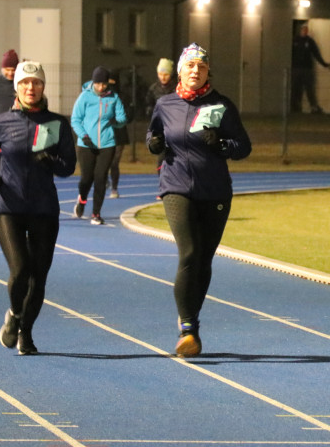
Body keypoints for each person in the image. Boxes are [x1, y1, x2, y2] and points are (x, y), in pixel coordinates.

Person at [146, 43, 252, 357]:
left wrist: (222, 145)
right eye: (190, 66)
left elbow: (243, 146)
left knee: (203, 260)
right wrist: (153, 144)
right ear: (180, 70)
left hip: (215, 190)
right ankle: (188, 327)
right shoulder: (166, 103)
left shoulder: (222, 105)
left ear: (207, 72)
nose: (195, 71)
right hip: (176, 185)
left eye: (201, 67)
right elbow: (153, 135)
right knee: (189, 252)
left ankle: (192, 321)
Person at [0, 60, 76, 356]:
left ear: (43, 87)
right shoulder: (0, 122)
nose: (30, 88)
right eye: (24, 83)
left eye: (36, 83)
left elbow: (68, 167)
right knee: (20, 270)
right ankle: (15, 314)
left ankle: (26, 333)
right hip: (9, 206)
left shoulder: (58, 123)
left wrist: (51, 161)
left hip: (44, 209)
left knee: (39, 276)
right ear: (17, 88)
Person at [71, 65, 128, 225]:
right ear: (93, 82)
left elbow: (122, 119)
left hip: (107, 144)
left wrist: (115, 122)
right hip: (86, 145)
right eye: (98, 84)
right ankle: (82, 199)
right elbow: (75, 119)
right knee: (86, 179)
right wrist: (84, 136)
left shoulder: (113, 98)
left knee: (100, 178)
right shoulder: (84, 97)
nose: (101, 87)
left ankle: (96, 213)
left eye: (104, 84)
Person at [145, 58, 177, 175]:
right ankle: (163, 183)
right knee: (162, 158)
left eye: (166, 74)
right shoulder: (153, 89)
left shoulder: (178, 88)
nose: (163, 77)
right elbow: (149, 104)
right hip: (161, 128)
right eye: (160, 74)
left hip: (176, 127)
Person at [290, 22, 330, 114]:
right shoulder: (295, 40)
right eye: (303, 29)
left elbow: (316, 54)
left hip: (307, 69)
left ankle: (313, 107)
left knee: (309, 88)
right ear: (300, 30)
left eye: (306, 29)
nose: (305, 31)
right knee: (296, 88)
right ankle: (295, 107)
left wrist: (324, 64)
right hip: (296, 69)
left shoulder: (310, 41)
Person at [107, 68, 130, 199]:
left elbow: (127, 114)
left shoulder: (122, 96)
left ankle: (114, 188)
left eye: (112, 81)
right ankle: (105, 181)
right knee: (105, 161)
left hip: (119, 133)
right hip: (105, 133)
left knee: (114, 162)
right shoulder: (102, 96)